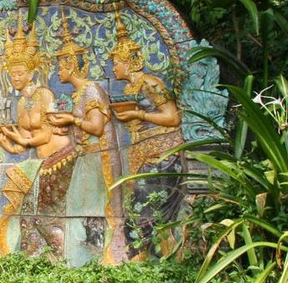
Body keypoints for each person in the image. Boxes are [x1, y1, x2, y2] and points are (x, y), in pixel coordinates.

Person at [0, 21, 75, 258]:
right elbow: (26, 138)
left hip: (61, 159)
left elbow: (46, 133)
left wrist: (24, 142)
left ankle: (61, 259)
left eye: (19, 73)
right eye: (11, 73)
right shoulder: (22, 103)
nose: (15, 77)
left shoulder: (44, 95)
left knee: (45, 215)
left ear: (30, 73)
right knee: (28, 213)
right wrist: (8, 144)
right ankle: (34, 262)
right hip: (41, 162)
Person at [46, 20, 127, 265]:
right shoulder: (81, 94)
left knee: (90, 211)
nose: (58, 71)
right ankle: (80, 262)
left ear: (71, 65)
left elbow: (96, 127)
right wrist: (67, 122)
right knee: (78, 209)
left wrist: (72, 118)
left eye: (61, 65)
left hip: (96, 159)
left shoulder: (92, 90)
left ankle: (96, 260)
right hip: (86, 158)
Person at [108, 15, 185, 256]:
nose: (113, 68)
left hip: (164, 156)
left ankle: (141, 260)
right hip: (146, 156)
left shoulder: (150, 84)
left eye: (116, 63)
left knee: (141, 212)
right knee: (140, 211)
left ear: (128, 62)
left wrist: (140, 115)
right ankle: (145, 260)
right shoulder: (130, 89)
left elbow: (173, 117)